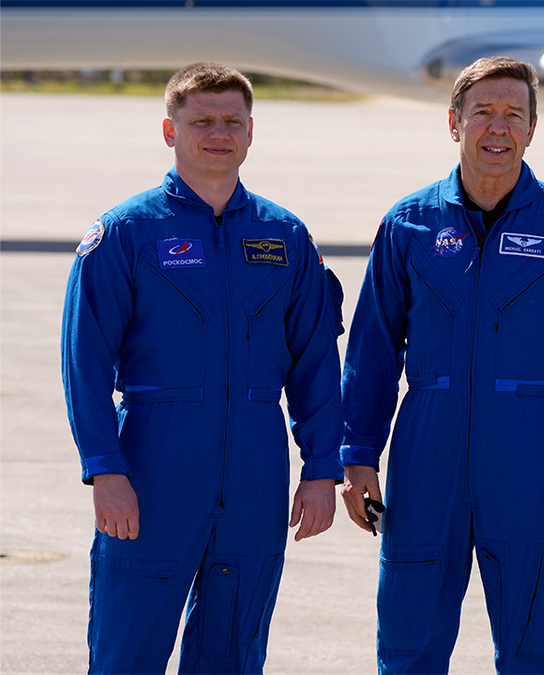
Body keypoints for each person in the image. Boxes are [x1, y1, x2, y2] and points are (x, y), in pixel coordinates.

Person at [338, 56, 544, 674]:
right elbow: (372, 350)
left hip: (529, 461)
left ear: (532, 128)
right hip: (426, 460)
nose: (497, 128)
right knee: (409, 644)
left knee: (537, 649)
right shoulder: (408, 225)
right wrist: (357, 454)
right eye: (483, 114)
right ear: (454, 122)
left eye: (513, 115)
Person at [61, 62, 345, 674]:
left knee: (233, 651)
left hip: (255, 474)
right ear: (170, 130)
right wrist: (104, 470)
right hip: (154, 468)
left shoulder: (286, 237)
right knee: (126, 652)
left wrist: (322, 470)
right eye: (202, 121)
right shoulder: (125, 234)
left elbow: (317, 364)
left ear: (251, 132)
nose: (218, 133)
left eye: (232, 121)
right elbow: (83, 362)